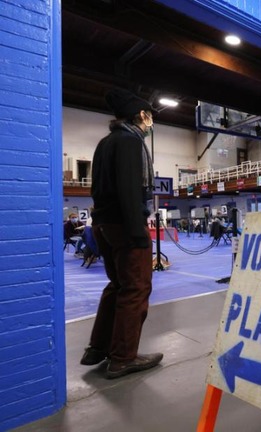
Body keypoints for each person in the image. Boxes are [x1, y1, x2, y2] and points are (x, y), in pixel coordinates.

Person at [81, 88, 163, 379]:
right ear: (141, 115)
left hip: (103, 224)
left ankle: (98, 347)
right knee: (136, 288)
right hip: (125, 224)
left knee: (116, 286)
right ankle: (123, 358)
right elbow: (129, 189)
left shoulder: (106, 142)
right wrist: (137, 232)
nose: (151, 120)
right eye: (149, 114)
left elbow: (97, 188)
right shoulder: (130, 141)